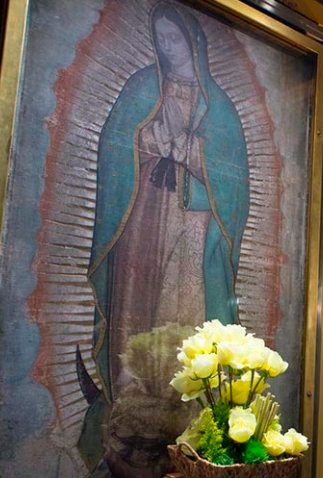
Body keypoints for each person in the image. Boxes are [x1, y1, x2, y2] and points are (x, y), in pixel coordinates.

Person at [79, 2, 249, 475]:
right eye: (161, 38)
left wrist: (191, 153)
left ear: (193, 42)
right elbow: (117, 148)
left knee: (184, 309)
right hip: (143, 223)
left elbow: (234, 185)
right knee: (138, 305)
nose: (167, 47)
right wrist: (147, 145)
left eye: (175, 37)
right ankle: (133, 405)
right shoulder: (141, 88)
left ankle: (183, 412)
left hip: (194, 230)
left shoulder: (221, 109)